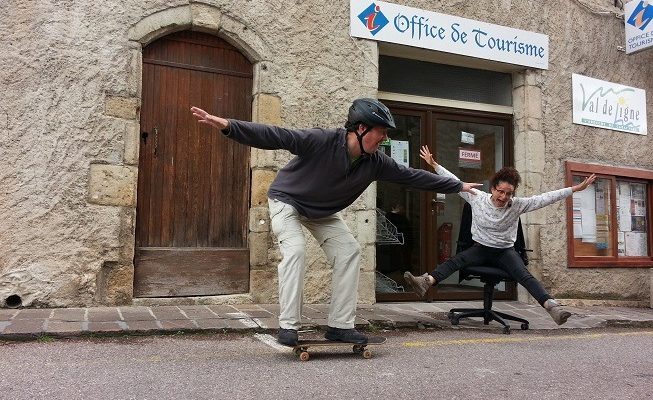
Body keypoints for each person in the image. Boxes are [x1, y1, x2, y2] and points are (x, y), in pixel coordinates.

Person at [190, 99, 482, 346]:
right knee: (295, 251)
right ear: (360, 128)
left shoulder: (376, 162)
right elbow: (277, 135)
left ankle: (340, 326)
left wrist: (456, 185)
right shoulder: (322, 141)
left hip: (322, 211)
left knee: (349, 252)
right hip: (288, 200)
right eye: (381, 132)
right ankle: (288, 327)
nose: (384, 139)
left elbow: (413, 176)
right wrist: (229, 126)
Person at [404, 145, 596, 325]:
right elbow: (454, 181)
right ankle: (425, 282)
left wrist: (575, 189)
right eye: (500, 192)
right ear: (492, 188)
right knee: (456, 261)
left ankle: (552, 307)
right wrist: (434, 165)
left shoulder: (518, 205)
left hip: (505, 251)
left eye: (509, 193)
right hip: (480, 248)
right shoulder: (476, 197)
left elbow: (545, 198)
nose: (504, 197)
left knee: (525, 276)